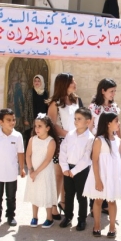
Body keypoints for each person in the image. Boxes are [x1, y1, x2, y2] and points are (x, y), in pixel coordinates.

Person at [47, 73, 83, 218]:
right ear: (64, 84)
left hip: (76, 142)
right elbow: (52, 125)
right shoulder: (55, 103)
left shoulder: (76, 100)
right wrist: (68, 135)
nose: (75, 84)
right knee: (58, 175)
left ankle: (63, 202)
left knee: (69, 174)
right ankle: (52, 207)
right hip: (62, 142)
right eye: (72, 82)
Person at [83, 112, 121, 238]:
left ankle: (112, 226)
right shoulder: (99, 140)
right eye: (116, 121)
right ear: (108, 123)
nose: (119, 123)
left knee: (112, 201)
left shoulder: (118, 141)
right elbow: (95, 160)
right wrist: (97, 180)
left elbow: (118, 160)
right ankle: (97, 225)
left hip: (113, 176)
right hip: (101, 175)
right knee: (98, 200)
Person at [0, 108, 26, 227]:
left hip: (11, 171)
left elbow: (20, 153)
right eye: (8, 120)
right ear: (1, 122)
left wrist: (22, 168)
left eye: (13, 120)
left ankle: (10, 216)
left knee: (11, 196)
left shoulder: (17, 136)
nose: (12, 122)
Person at [58, 108, 94, 230]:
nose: (76, 121)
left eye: (79, 119)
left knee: (81, 196)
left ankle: (82, 219)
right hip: (68, 169)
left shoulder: (90, 138)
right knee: (68, 195)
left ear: (87, 122)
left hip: (81, 171)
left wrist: (74, 171)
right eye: (75, 118)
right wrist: (65, 167)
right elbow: (63, 150)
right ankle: (68, 217)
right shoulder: (70, 134)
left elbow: (86, 158)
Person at [24, 114, 59, 228]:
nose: (37, 129)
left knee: (46, 192)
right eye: (35, 126)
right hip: (33, 171)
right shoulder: (32, 140)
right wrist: (31, 169)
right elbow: (28, 155)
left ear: (47, 128)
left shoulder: (51, 141)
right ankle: (34, 217)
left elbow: (48, 159)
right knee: (35, 192)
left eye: (40, 126)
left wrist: (36, 172)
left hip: (45, 172)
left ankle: (49, 218)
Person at [23, 74, 49, 146]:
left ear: (42, 82)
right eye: (35, 81)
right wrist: (26, 119)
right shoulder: (30, 92)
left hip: (43, 119)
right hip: (32, 118)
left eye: (38, 81)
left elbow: (47, 106)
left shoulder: (45, 93)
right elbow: (26, 106)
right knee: (31, 137)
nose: (36, 83)